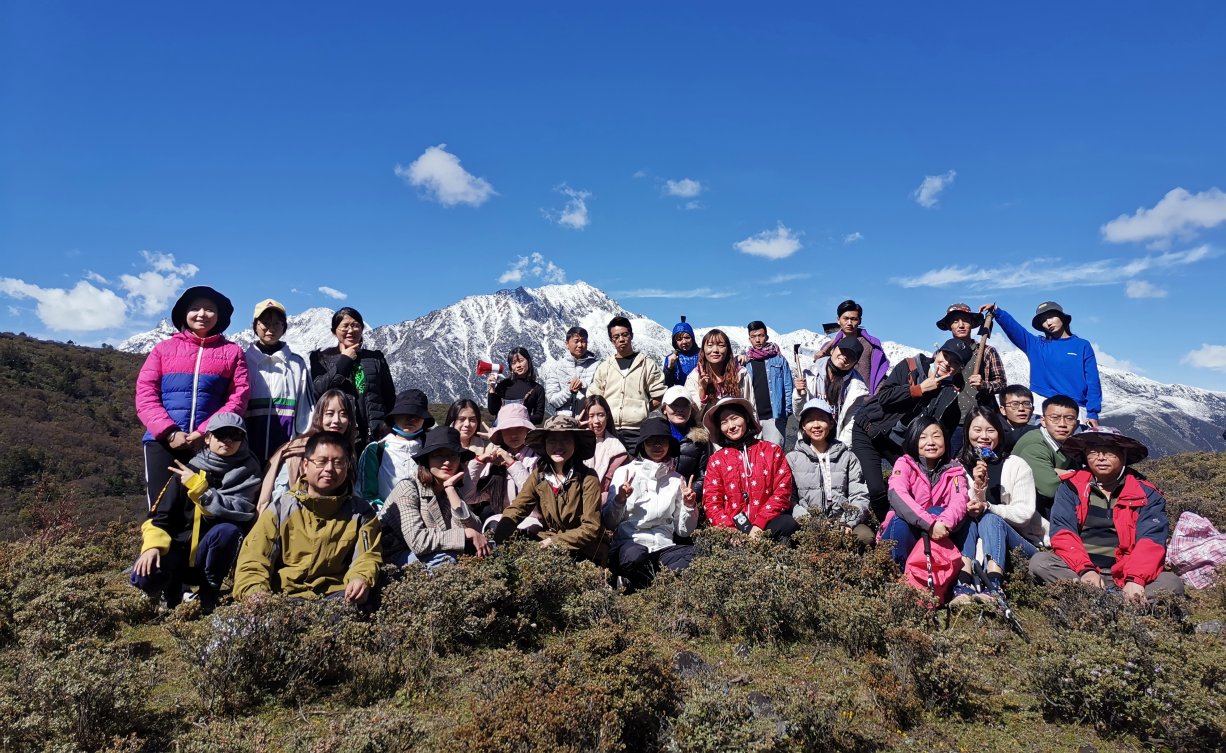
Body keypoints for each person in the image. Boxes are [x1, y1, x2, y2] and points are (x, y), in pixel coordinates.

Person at [135, 286, 251, 528]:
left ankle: (193, 563)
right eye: (195, 308)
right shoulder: (163, 350)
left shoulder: (232, 353)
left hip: (209, 443)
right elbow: (145, 394)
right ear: (183, 314)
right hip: (162, 442)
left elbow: (238, 398)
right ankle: (156, 561)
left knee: (199, 507)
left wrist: (204, 433)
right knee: (159, 506)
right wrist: (169, 432)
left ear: (219, 317)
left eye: (210, 309)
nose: (202, 314)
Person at [1030, 427, 1184, 600]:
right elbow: (1063, 532)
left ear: (1123, 454)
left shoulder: (1146, 493)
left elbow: (1151, 539)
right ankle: (1121, 603)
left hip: (1127, 573)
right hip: (1080, 570)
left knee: (1171, 583)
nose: (1101, 457)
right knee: (1040, 563)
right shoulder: (1071, 488)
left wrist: (1136, 579)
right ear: (1085, 455)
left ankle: (1094, 600)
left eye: (1109, 452)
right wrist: (1085, 570)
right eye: (1094, 452)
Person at [130, 412, 260, 614]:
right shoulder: (188, 470)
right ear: (207, 438)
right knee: (143, 576)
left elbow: (241, 511)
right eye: (221, 434)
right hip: (179, 550)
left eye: (235, 435)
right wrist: (152, 547)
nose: (228, 440)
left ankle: (210, 592)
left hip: (210, 555)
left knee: (229, 531)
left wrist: (202, 491)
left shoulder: (249, 471)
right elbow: (160, 515)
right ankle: (170, 592)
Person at [235, 431, 381, 602]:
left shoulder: (361, 513)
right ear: (305, 465)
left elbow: (367, 557)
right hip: (283, 598)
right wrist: (256, 592)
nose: (329, 469)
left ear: (347, 466)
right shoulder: (281, 509)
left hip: (336, 598)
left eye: (338, 462)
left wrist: (360, 578)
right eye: (322, 461)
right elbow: (254, 559)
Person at [851, 338, 975, 523]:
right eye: (946, 355)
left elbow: (941, 435)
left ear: (960, 369)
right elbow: (884, 398)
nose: (947, 363)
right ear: (937, 353)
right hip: (868, 431)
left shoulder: (950, 397)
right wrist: (918, 389)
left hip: (898, 446)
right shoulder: (910, 366)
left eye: (955, 362)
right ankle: (886, 532)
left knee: (912, 491)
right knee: (876, 489)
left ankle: (900, 527)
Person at [491, 415, 610, 565]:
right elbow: (517, 509)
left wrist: (553, 541)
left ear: (576, 444)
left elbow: (590, 528)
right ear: (544, 444)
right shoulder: (538, 476)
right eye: (552, 440)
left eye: (566, 440)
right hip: (548, 541)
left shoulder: (588, 478)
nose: (558, 446)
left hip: (584, 548)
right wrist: (499, 538)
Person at [876, 417, 974, 594]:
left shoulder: (955, 470)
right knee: (900, 517)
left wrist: (942, 523)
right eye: (923, 437)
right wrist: (930, 524)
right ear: (913, 440)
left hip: (938, 536)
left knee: (943, 512)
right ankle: (898, 580)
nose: (930, 442)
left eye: (936, 436)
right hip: (903, 537)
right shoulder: (904, 464)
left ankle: (939, 583)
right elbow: (897, 493)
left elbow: (960, 500)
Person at [956, 407, 1044, 598]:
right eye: (977, 430)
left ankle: (994, 585)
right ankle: (963, 583)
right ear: (967, 432)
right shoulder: (957, 468)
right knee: (968, 520)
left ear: (999, 433)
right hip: (974, 543)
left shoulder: (1016, 465)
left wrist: (988, 507)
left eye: (990, 430)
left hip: (1020, 542)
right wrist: (978, 488)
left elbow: (1024, 515)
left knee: (990, 519)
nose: (984, 436)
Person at [603, 417, 700, 590]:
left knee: (694, 556)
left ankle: (642, 584)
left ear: (669, 444)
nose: (657, 446)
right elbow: (610, 522)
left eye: (662, 441)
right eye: (651, 441)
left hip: (664, 547)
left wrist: (689, 506)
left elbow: (684, 531)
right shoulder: (624, 473)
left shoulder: (677, 480)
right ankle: (659, 586)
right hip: (630, 545)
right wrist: (620, 500)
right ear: (642, 445)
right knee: (634, 557)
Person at [380, 426, 492, 569]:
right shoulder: (408, 488)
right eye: (439, 455)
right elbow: (418, 542)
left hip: (431, 553)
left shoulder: (451, 491)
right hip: (395, 557)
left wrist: (450, 489)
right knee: (445, 560)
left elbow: (476, 530)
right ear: (427, 460)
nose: (447, 462)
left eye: (453, 455)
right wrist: (465, 533)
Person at [980, 301, 1101, 427]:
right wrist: (997, 312)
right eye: (1043, 320)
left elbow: (1092, 381)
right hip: (1046, 410)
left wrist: (1093, 413)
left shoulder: (1082, 345)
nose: (1048, 323)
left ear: (1062, 317)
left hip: (1077, 410)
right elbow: (1015, 330)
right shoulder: (1037, 346)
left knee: (1075, 447)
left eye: (1051, 317)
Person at [702, 397, 798, 545]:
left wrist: (759, 524)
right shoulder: (716, 460)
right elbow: (711, 502)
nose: (731, 426)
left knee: (788, 523)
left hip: (767, 526)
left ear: (746, 418)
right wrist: (730, 532)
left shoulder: (772, 451)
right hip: (732, 532)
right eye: (724, 422)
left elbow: (782, 492)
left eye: (735, 418)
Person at [786, 398, 874, 547]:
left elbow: (859, 495)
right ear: (803, 425)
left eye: (821, 420)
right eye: (810, 421)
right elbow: (789, 499)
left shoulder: (847, 457)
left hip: (843, 521)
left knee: (865, 537)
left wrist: (847, 522)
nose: (816, 425)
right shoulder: (792, 459)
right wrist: (811, 521)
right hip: (808, 523)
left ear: (831, 423)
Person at [257, 388, 358, 513]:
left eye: (343, 414)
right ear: (319, 417)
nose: (336, 420)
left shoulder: (349, 453)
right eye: (330, 414)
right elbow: (279, 499)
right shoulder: (297, 452)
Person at [309, 307, 397, 449]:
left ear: (362, 328)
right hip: (340, 434)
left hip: (377, 438)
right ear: (334, 332)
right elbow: (319, 391)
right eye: (344, 326)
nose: (350, 330)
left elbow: (389, 398)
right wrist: (345, 360)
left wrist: (388, 428)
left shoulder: (375, 358)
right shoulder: (321, 359)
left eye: (355, 325)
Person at [243, 299, 314, 465]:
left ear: (284, 327)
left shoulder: (297, 363)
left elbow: (307, 409)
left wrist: (301, 444)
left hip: (287, 454)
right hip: (246, 453)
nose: (271, 328)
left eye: (277, 323)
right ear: (254, 326)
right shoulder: (243, 362)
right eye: (265, 323)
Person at [588, 316, 665, 455]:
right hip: (609, 430)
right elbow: (594, 398)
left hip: (637, 430)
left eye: (625, 334)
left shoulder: (646, 364)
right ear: (612, 341)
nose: (621, 339)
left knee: (635, 468)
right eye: (616, 337)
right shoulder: (605, 367)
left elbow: (659, 395)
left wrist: (643, 409)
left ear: (631, 335)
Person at [937, 303, 1007, 454]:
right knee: (953, 465)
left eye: (965, 321)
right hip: (952, 423)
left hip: (982, 422)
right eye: (955, 321)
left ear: (973, 324)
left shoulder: (987, 352)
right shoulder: (941, 356)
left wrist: (984, 385)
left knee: (984, 462)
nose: (961, 325)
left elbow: (1001, 383)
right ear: (949, 326)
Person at [356, 389, 435, 512]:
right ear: (394, 416)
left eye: (417, 415)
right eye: (405, 414)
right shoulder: (375, 451)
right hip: (384, 522)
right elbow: (366, 494)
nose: (411, 419)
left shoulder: (431, 450)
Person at [1013, 395, 1082, 519]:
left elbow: (1080, 474)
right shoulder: (1034, 444)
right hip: (1028, 514)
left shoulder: (1068, 443)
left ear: (1077, 424)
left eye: (1069, 418)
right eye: (1055, 418)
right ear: (1043, 421)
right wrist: (1073, 475)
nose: (1062, 424)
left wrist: (1062, 473)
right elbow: (1050, 489)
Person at [791, 336, 869, 445]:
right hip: (808, 442)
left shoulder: (857, 388)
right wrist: (799, 394)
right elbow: (799, 414)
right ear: (832, 350)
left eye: (851, 356)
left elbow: (850, 424)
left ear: (855, 364)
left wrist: (840, 449)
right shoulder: (810, 375)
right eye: (843, 351)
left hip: (836, 443)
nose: (845, 356)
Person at [476, 403, 541, 530]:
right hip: (503, 518)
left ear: (528, 430)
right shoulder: (495, 460)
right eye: (507, 430)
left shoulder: (538, 460)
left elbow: (535, 497)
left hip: (534, 519)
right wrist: (478, 462)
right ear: (501, 434)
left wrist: (512, 464)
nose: (513, 435)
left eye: (518, 428)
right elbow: (471, 497)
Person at [816, 300, 890, 396]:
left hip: (863, 401)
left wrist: (874, 400)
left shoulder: (870, 345)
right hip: (835, 401)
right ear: (838, 320)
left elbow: (879, 376)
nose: (849, 323)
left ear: (860, 321)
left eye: (854, 319)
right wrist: (818, 361)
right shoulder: (829, 347)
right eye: (845, 318)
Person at [743, 321, 793, 448]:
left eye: (761, 335)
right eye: (754, 337)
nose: (758, 340)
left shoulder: (779, 360)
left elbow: (788, 386)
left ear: (767, 337)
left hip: (774, 417)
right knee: (754, 458)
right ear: (749, 339)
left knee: (775, 455)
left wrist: (786, 413)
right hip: (753, 418)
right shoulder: (746, 363)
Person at [685, 328, 752, 421]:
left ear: (728, 349)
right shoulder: (694, 377)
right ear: (703, 350)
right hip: (706, 432)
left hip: (735, 431)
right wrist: (703, 390)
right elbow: (691, 416)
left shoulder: (741, 374)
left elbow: (751, 408)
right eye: (710, 345)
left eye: (721, 345)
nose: (715, 350)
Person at [661, 386, 710, 508]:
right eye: (674, 405)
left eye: (685, 405)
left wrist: (691, 493)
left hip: (687, 501)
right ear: (664, 409)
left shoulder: (700, 439)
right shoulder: (654, 436)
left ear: (691, 409)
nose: (680, 409)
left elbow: (703, 474)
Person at [446, 398, 493, 509]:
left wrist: (498, 440)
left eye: (472, 420)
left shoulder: (488, 448)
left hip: (479, 508)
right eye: (461, 419)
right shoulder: (440, 449)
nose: (467, 424)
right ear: (452, 421)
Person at [544, 327, 601, 417]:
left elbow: (601, 396)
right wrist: (569, 390)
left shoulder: (597, 366)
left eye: (583, 341)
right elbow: (552, 400)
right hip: (563, 421)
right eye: (576, 341)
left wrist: (584, 387)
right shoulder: (556, 368)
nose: (580, 345)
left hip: (589, 419)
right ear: (567, 344)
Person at [578, 395, 629, 495]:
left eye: (601, 415)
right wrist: (573, 428)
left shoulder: (617, 450)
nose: (596, 421)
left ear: (607, 416)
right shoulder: (575, 443)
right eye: (591, 416)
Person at [488, 346, 546, 424]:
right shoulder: (503, 385)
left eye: (521, 361)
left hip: (523, 431)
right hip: (502, 432)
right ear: (511, 366)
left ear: (528, 361)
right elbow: (493, 410)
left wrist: (519, 419)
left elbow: (539, 417)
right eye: (513, 362)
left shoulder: (537, 389)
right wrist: (492, 388)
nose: (518, 365)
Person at [664, 316, 701, 387]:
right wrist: (670, 368)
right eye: (679, 339)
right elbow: (667, 384)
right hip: (681, 395)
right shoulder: (671, 358)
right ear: (675, 342)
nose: (684, 342)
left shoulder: (702, 355)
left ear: (692, 339)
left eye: (687, 338)